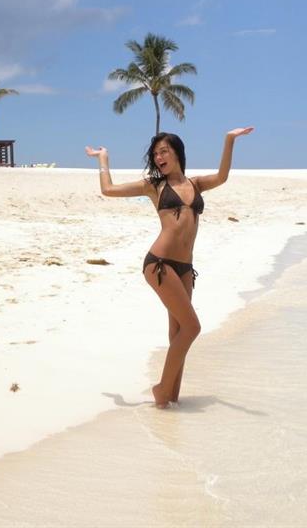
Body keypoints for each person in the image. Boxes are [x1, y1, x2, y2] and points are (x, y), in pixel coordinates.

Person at [85, 127, 254, 408]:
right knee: (192, 327)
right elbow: (108, 190)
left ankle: (171, 397)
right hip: (160, 264)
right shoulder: (155, 186)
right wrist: (103, 159)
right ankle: (162, 388)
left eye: (164, 151)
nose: (159, 157)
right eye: (155, 154)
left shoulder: (196, 184)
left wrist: (228, 140)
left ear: (177, 152)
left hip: (185, 267)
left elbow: (222, 176)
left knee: (178, 332)